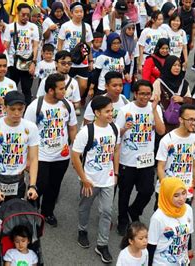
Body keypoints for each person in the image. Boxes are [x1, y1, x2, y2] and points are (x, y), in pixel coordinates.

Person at [0, 90, 39, 260]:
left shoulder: (30, 128)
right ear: (5, 108)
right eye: (12, 109)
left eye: (20, 109)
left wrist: (33, 185)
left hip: (17, 181)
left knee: (14, 218)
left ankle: (12, 248)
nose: (16, 113)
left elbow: (34, 158)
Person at [71, 95, 121, 264]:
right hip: (90, 179)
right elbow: (75, 156)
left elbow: (115, 150)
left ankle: (102, 244)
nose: (111, 114)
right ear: (97, 112)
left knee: (107, 211)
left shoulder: (114, 129)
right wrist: (84, 179)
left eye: (111, 110)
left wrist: (115, 173)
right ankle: (82, 230)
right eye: (107, 111)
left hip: (107, 179)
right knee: (85, 207)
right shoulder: (87, 131)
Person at [24, 73, 78, 227]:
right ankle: (31, 213)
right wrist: (27, 159)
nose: (64, 92)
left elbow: (72, 128)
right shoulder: (35, 106)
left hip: (61, 156)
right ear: (50, 90)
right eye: (61, 89)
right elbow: (26, 134)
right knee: (39, 185)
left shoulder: (67, 105)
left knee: (54, 187)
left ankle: (47, 212)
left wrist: (75, 151)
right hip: (40, 156)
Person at [116, 80, 165, 235]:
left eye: (148, 94)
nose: (145, 97)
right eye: (142, 94)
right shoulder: (126, 110)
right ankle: (122, 220)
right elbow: (117, 135)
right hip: (127, 159)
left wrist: (155, 110)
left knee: (147, 190)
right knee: (125, 192)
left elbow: (161, 131)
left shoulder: (154, 109)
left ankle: (134, 210)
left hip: (146, 159)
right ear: (135, 94)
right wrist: (125, 129)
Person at [156, 103, 195, 205]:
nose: (193, 123)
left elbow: (194, 165)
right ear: (181, 120)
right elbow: (160, 167)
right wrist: (166, 190)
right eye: (190, 119)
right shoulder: (167, 140)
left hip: (185, 192)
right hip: (168, 190)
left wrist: (193, 187)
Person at [147, 177, 194, 265]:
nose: (182, 198)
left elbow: (188, 233)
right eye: (176, 195)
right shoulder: (158, 217)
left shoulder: (188, 209)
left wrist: (189, 250)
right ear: (167, 195)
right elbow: (151, 246)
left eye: (183, 193)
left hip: (182, 261)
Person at [3, 3, 40, 105]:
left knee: (27, 89)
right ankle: (10, 110)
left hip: (28, 63)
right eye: (23, 14)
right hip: (13, 63)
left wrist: (34, 63)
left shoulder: (33, 27)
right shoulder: (10, 27)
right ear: (17, 13)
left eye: (28, 15)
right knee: (11, 89)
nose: (25, 17)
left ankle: (26, 112)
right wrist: (4, 64)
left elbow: (36, 46)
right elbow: (5, 46)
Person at [57, 2, 94, 102]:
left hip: (83, 60)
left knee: (83, 86)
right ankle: (66, 101)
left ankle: (74, 100)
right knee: (65, 83)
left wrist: (91, 61)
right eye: (76, 12)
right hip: (68, 61)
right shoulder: (65, 26)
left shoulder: (87, 27)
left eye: (81, 12)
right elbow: (60, 43)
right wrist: (60, 60)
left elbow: (89, 45)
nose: (79, 14)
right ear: (71, 13)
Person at [152, 55, 190, 133]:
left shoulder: (184, 83)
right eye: (174, 65)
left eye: (179, 65)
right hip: (163, 120)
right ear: (168, 66)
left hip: (180, 121)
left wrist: (182, 99)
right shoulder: (159, 83)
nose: (177, 68)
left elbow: (191, 101)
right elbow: (153, 101)